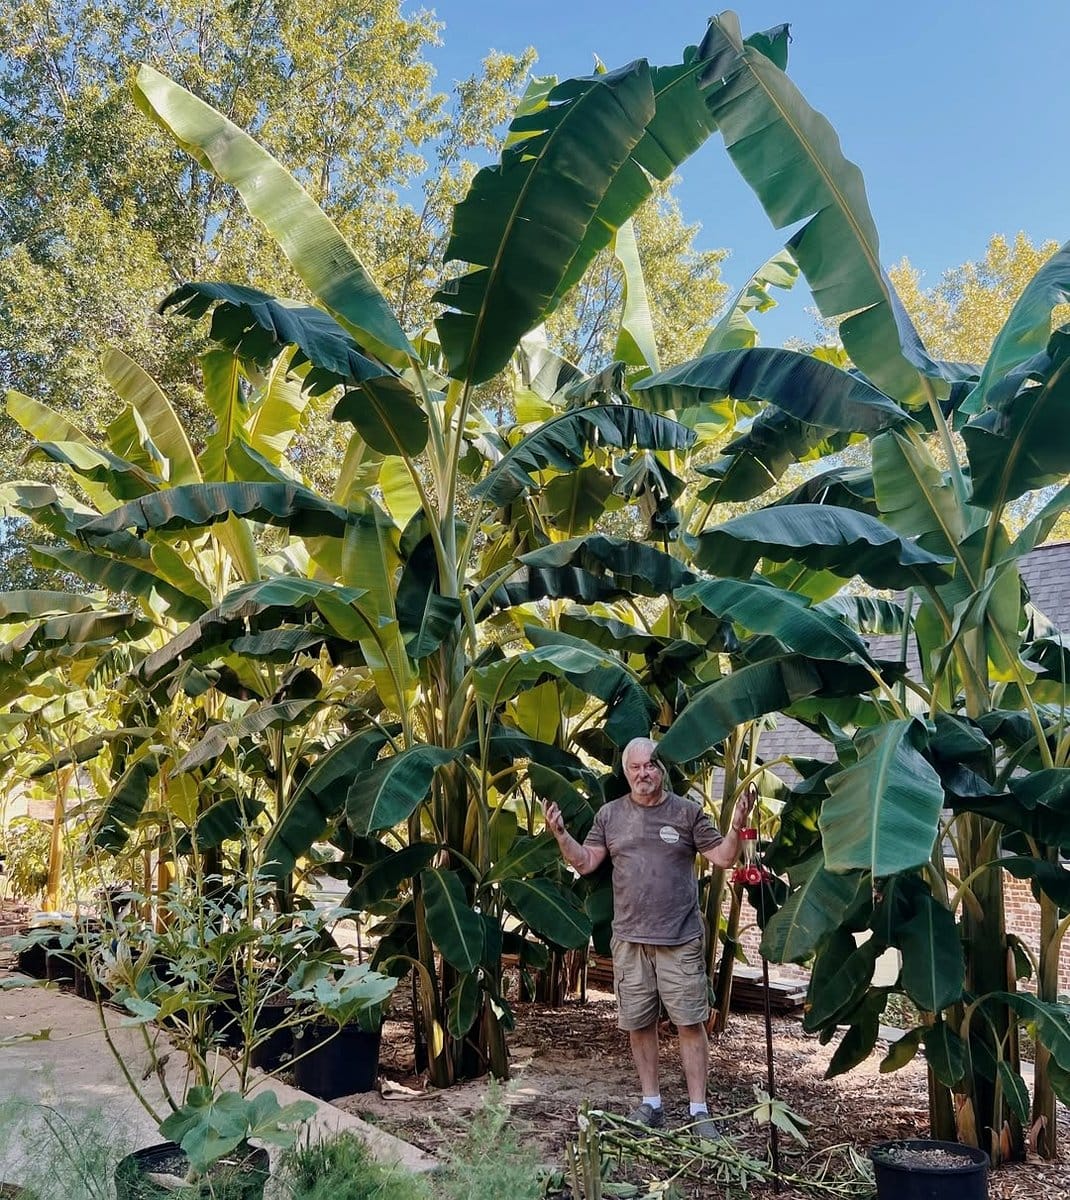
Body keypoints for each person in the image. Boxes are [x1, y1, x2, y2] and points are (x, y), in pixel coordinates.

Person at [543, 735, 755, 1139]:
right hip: (630, 940)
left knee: (690, 1022)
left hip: (679, 939)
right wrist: (561, 834)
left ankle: (699, 1111)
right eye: (636, 767)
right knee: (639, 1023)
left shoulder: (687, 813)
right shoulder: (610, 815)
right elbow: (585, 862)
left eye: (651, 765)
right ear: (626, 773)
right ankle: (651, 1103)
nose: (644, 773)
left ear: (661, 769)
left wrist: (736, 825)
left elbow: (724, 857)